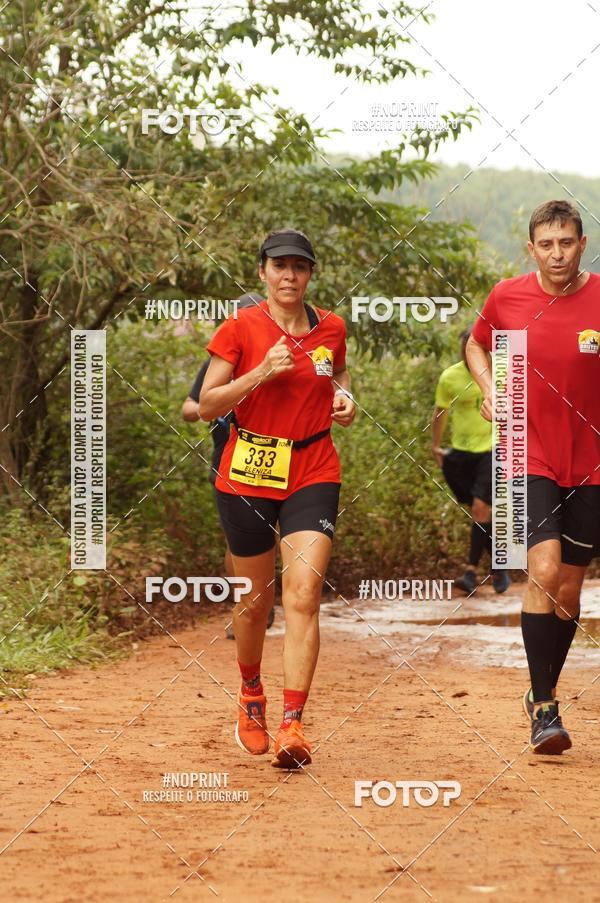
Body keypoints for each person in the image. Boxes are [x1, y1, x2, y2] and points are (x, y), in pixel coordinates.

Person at [199, 228, 355, 769]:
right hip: (248, 469)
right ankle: (250, 692)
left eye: (300, 267)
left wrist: (345, 399)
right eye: (280, 266)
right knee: (253, 601)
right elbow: (203, 404)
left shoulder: (331, 328)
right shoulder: (241, 327)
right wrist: (261, 371)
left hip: (313, 467)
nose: (290, 276)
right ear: (263, 270)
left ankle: (293, 723)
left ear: (310, 274)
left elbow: (338, 377)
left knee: (305, 594)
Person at [467, 199, 600, 755]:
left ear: (582, 244)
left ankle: (541, 690)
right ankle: (545, 705)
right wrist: (491, 390)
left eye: (566, 242)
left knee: (570, 587)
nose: (557, 254)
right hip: (528, 451)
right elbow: (476, 342)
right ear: (531, 249)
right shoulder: (508, 296)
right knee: (542, 567)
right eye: (546, 244)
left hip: (590, 460)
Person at [181, 293, 275, 632]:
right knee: (236, 539)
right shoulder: (219, 361)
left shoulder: (279, 358)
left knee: (273, 533)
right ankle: (246, 605)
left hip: (278, 458)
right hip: (229, 457)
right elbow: (191, 408)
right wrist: (221, 401)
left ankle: (264, 599)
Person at [432, 329, 510, 595]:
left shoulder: (501, 371)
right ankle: (500, 566)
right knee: (479, 512)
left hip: (493, 448)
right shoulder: (450, 377)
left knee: (479, 508)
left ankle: (470, 572)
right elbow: (441, 411)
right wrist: (435, 446)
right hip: (461, 452)